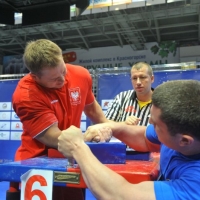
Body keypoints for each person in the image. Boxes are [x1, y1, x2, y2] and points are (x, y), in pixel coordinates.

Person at [58, 80, 200, 200]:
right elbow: (144, 137)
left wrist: (77, 148)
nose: (150, 123)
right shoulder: (181, 132)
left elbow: (119, 195)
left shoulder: (195, 184)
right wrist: (112, 127)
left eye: (156, 125)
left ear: (185, 141)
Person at [10, 39, 108, 200]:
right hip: (36, 166)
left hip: (70, 160)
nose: (62, 80)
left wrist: (107, 127)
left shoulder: (80, 74)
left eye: (63, 71)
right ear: (35, 77)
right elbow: (53, 137)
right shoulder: (25, 95)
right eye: (54, 79)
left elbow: (91, 108)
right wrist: (87, 138)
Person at [105, 61, 154, 126]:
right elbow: (106, 124)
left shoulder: (161, 102)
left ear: (152, 79)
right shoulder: (122, 97)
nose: (138, 82)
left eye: (142, 77)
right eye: (134, 78)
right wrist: (124, 124)